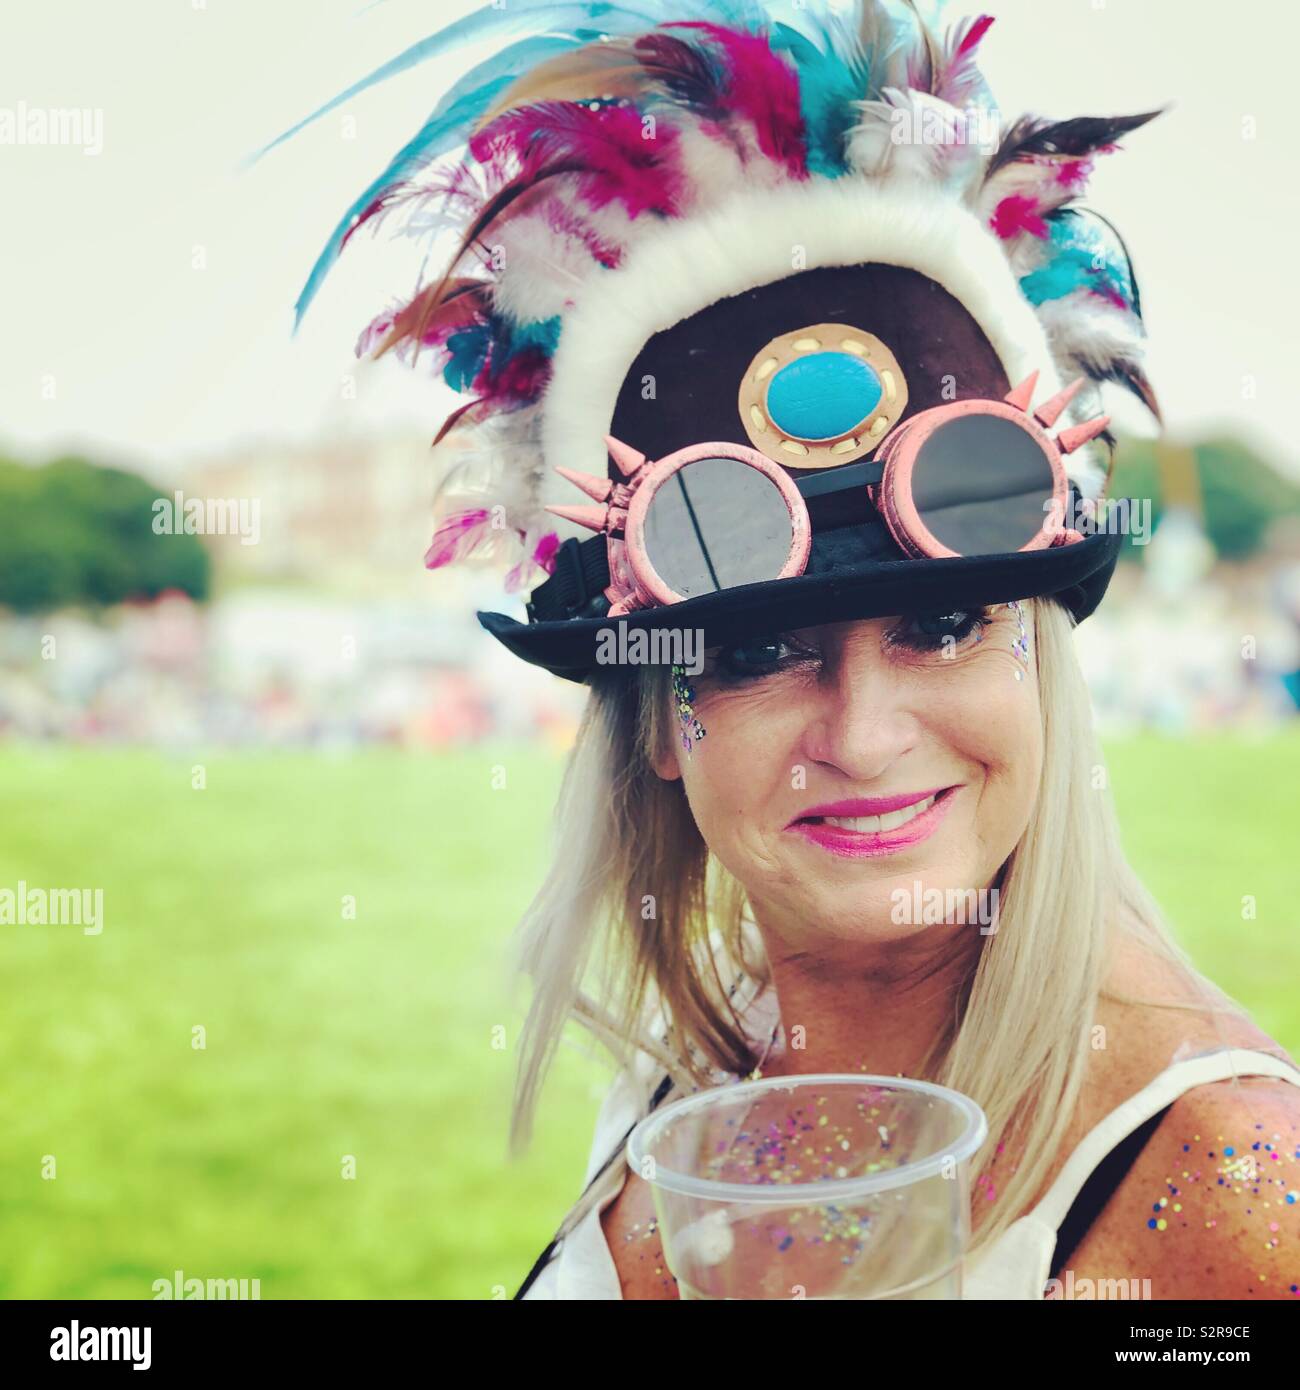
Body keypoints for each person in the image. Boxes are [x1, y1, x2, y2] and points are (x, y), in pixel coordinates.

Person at [274, 0, 1300, 1299]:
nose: (865, 731)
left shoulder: (1232, 1190)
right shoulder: (698, 1084)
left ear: (1038, 658)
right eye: (759, 650)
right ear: (651, 718)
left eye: (941, 623)